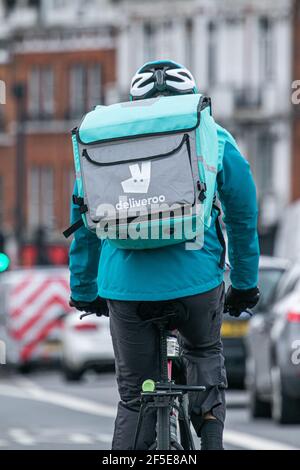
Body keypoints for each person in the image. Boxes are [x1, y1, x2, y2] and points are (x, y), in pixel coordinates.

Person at [69, 60, 260, 450]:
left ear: (134, 101)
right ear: (189, 97)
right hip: (196, 281)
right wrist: (244, 284)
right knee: (204, 351)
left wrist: (84, 290)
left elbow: (84, 221)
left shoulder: (108, 138)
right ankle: (209, 436)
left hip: (125, 286)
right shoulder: (213, 135)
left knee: (135, 399)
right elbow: (242, 215)